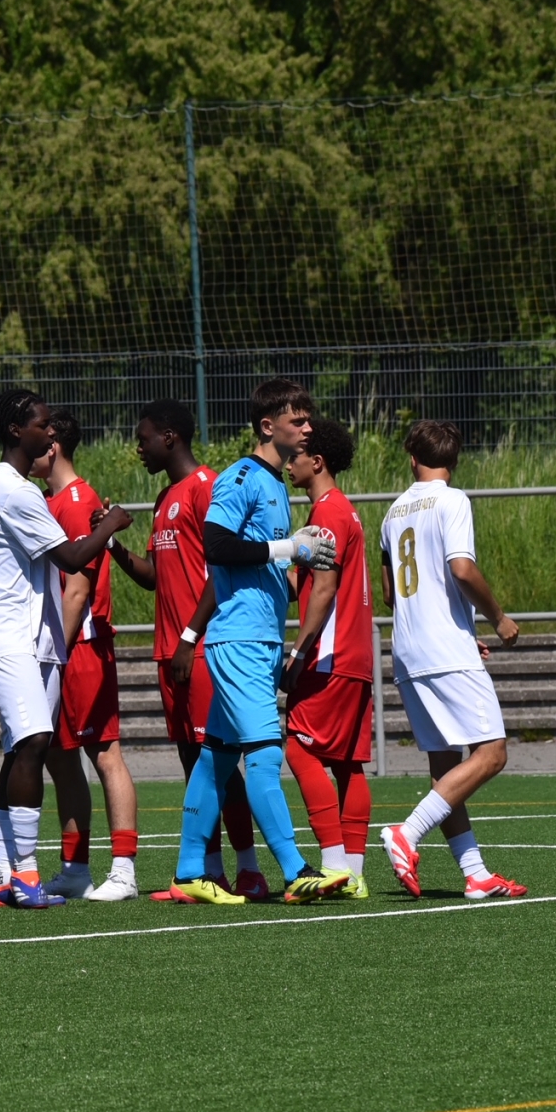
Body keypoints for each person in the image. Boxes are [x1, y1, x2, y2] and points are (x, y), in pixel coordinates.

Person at [167, 379, 349, 906]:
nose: (308, 427)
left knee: (217, 758)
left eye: (309, 418)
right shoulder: (241, 477)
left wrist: (295, 562)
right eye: (298, 420)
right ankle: (296, 871)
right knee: (267, 753)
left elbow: (257, 559)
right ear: (268, 426)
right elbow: (217, 545)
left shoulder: (274, 481)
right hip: (240, 641)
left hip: (260, 640)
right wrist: (287, 548)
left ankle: (188, 874)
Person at [0, 394, 133, 909]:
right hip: (9, 636)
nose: (50, 433)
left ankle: (7, 875)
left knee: (23, 747)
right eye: (42, 424)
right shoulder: (16, 491)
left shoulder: (19, 487)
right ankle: (25, 875)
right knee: (36, 741)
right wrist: (111, 524)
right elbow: (72, 557)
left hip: (34, 638)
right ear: (17, 431)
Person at [107, 400, 261, 896]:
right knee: (193, 764)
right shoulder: (163, 497)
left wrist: (190, 637)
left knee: (219, 763)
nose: (139, 448)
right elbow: (155, 575)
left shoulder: (207, 487)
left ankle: (250, 869)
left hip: (201, 647)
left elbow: (222, 572)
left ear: (169, 437)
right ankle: (208, 873)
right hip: (171, 652)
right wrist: (112, 546)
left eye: (144, 438)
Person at [377, 420, 527, 900]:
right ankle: (406, 833)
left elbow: (389, 594)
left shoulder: (392, 514)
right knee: (492, 753)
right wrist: (498, 617)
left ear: (412, 458)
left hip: (409, 649)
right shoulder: (453, 499)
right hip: (443, 647)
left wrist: (463, 632)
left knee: (445, 768)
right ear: (455, 461)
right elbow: (461, 568)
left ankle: (475, 873)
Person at [30, 411, 140, 902]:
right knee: (59, 756)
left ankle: (125, 869)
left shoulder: (76, 501)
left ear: (52, 443)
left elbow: (78, 588)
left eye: (36, 440)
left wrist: (56, 652)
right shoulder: (51, 500)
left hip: (82, 644)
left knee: (104, 753)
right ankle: (75, 867)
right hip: (62, 644)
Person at [279, 417, 375, 898]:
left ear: (316, 462)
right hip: (356, 656)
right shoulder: (346, 510)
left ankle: (333, 864)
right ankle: (354, 874)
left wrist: (298, 650)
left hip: (329, 657)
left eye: (294, 455)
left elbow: (324, 588)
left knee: (299, 749)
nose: (287, 462)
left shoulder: (328, 512)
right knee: (347, 765)